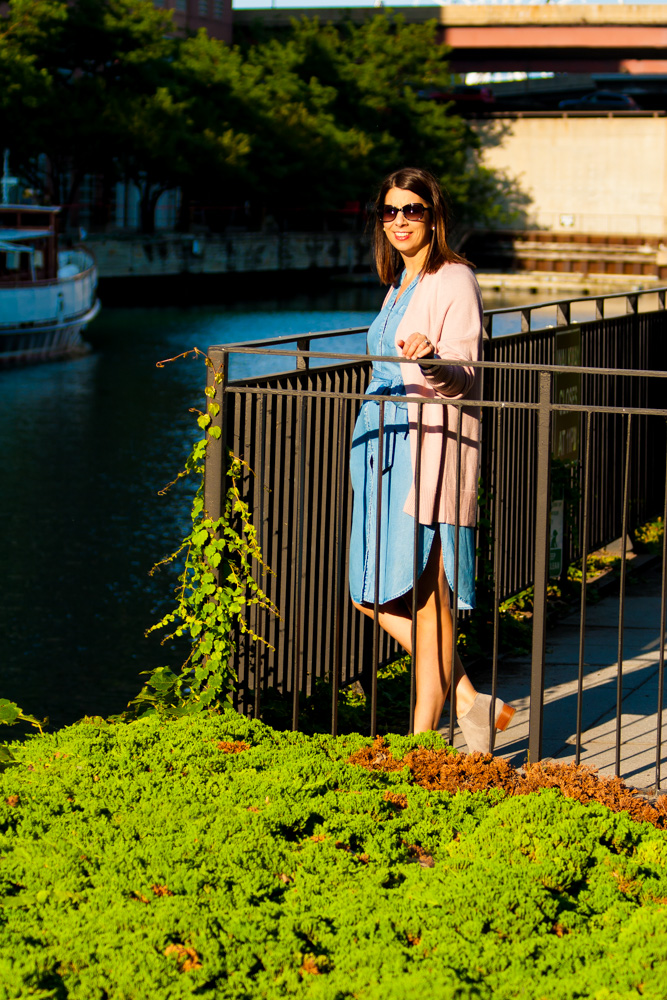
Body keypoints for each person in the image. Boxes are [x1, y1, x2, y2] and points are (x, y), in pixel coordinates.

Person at [348, 166, 515, 752]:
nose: (399, 221)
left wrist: (433, 360)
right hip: (382, 450)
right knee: (367, 594)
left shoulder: (453, 278)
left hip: (427, 451)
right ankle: (472, 702)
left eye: (412, 210)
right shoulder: (398, 282)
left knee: (427, 600)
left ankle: (419, 746)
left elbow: (465, 372)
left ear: (433, 215)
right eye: (389, 211)